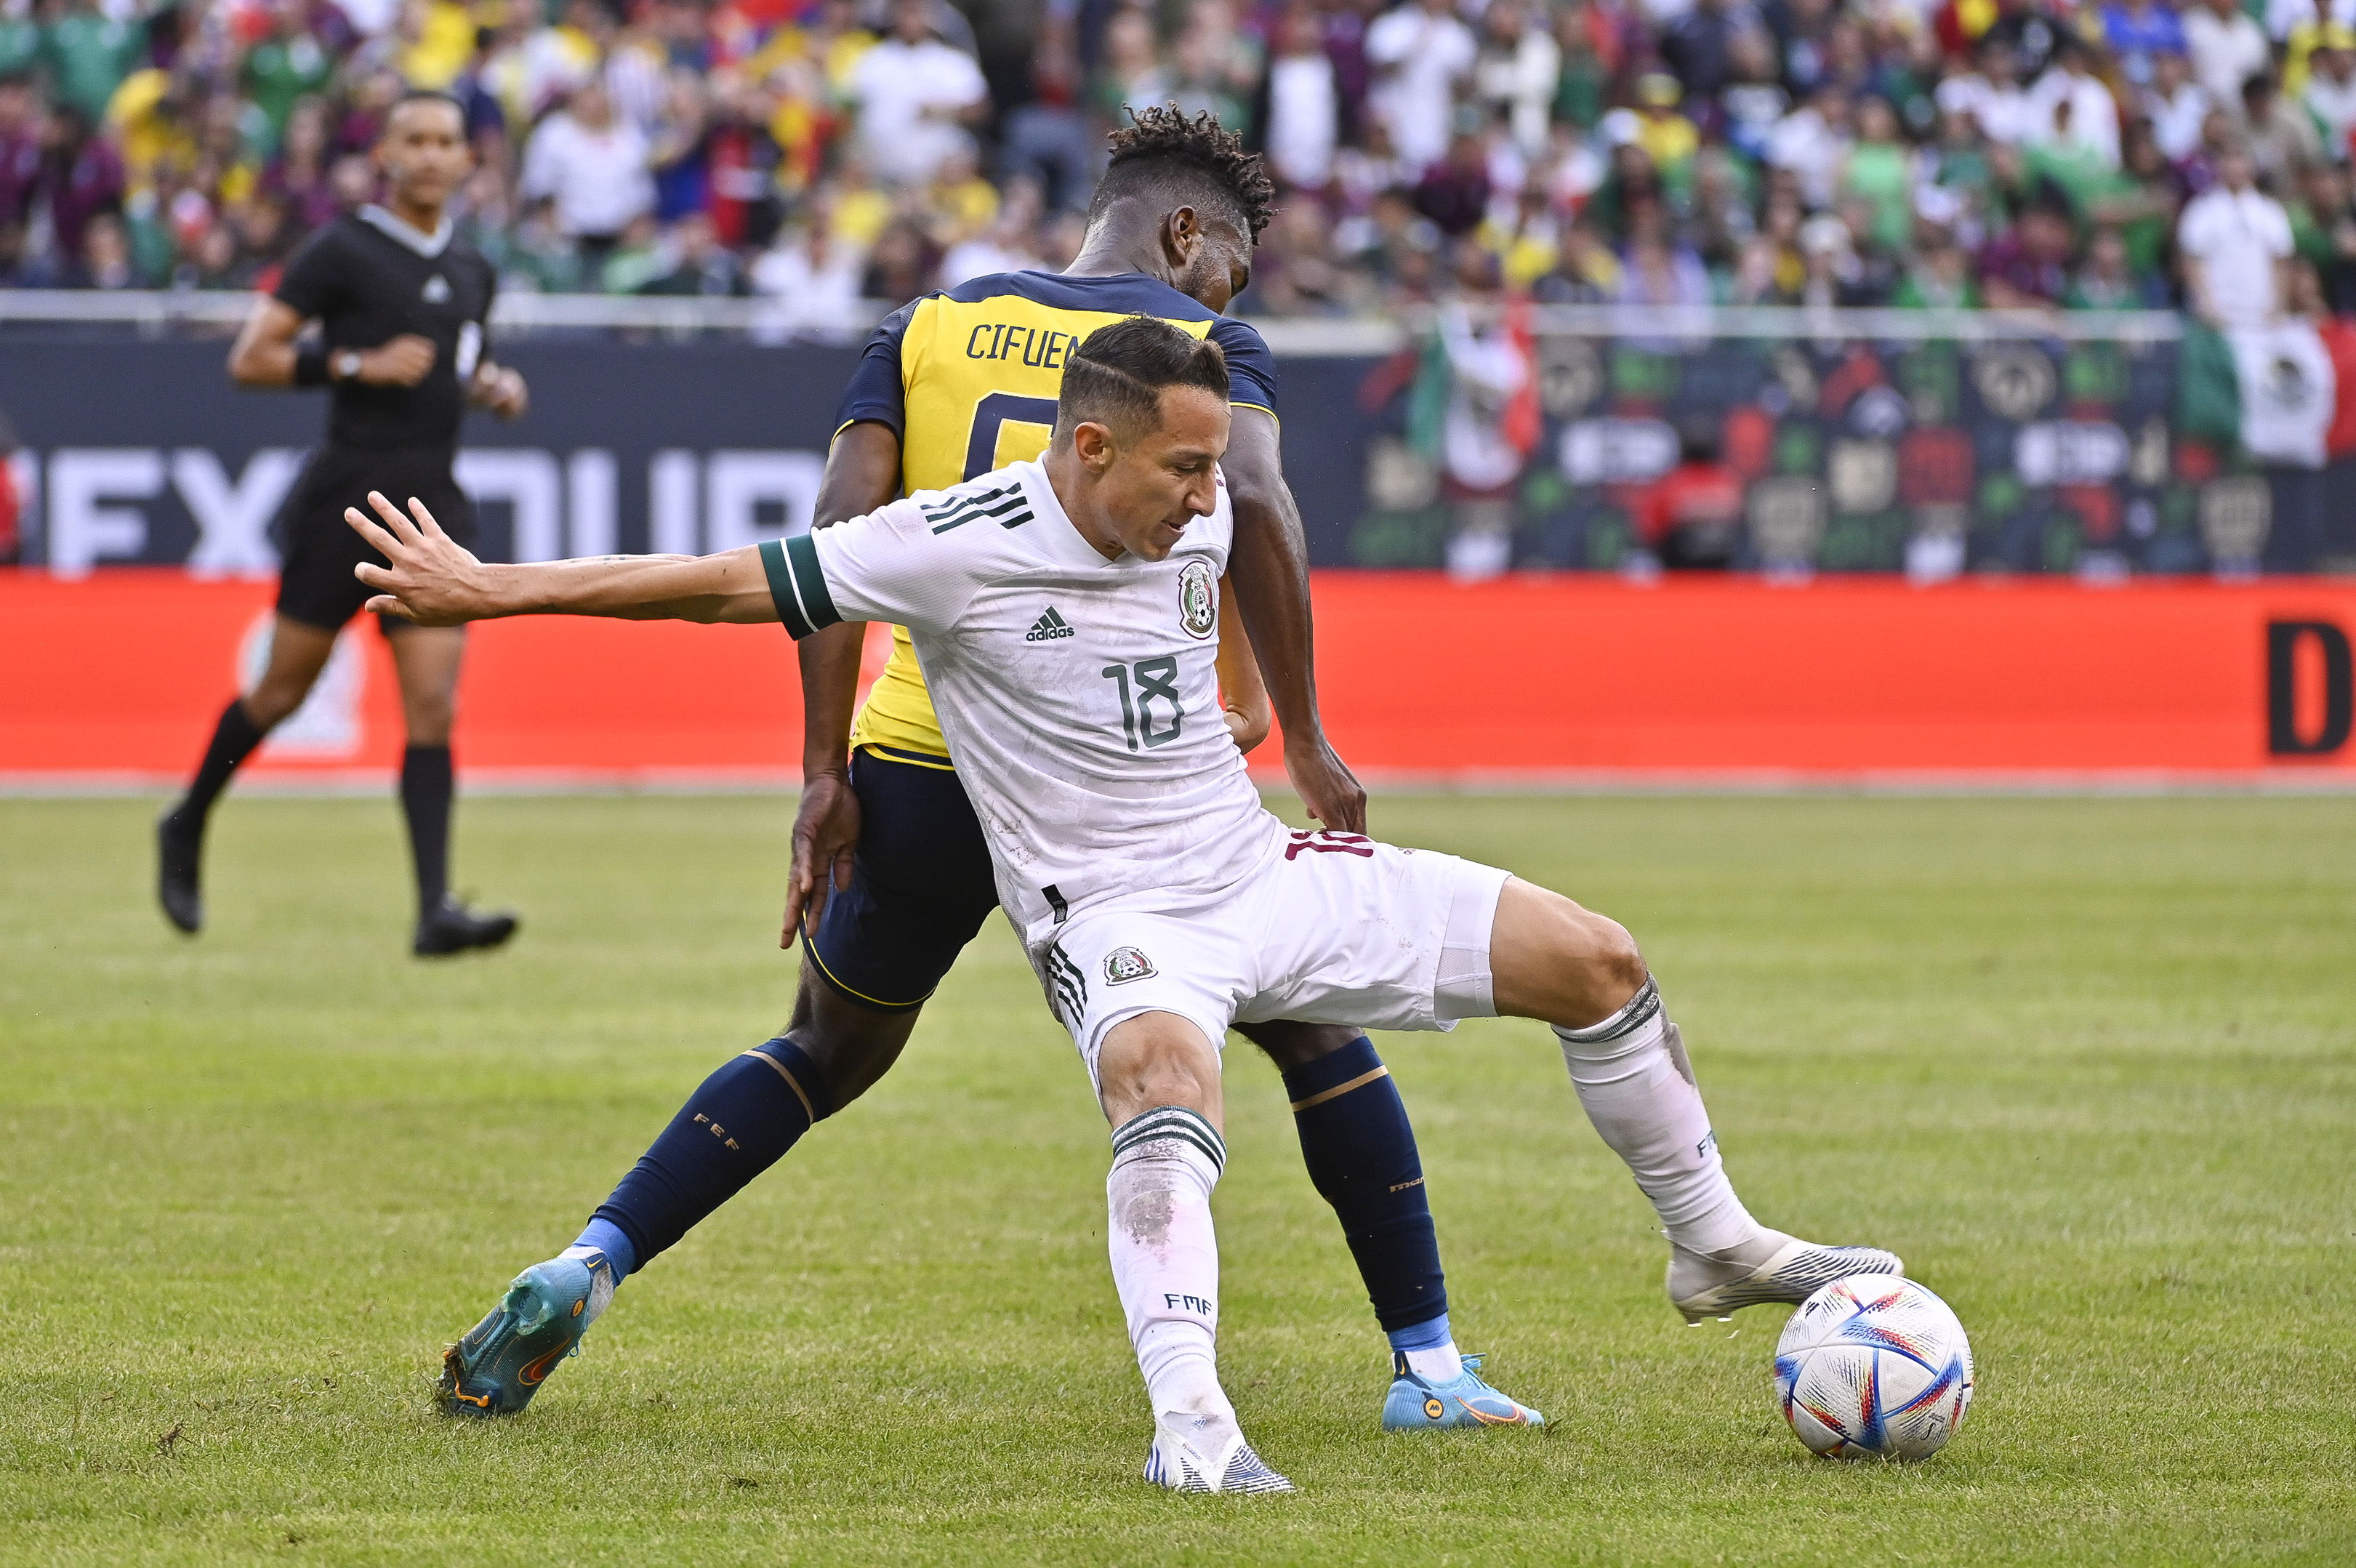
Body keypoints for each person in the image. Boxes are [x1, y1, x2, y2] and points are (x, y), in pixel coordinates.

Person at [347, 315, 1905, 1494]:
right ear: (1087, 451)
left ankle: (1714, 1245)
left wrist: (1233, 709)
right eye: (1180, 465)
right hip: (1116, 917)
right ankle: (1192, 1424)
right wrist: (491, 588)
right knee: (1165, 1084)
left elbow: (1207, 623)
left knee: (1599, 957)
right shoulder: (946, 546)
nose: (1207, 492)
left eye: (1214, 463)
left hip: (1255, 871)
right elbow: (719, 584)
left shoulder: (1198, 512)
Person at [419, 108, 1543, 1439]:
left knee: (822, 1050)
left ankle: (588, 1262)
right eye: (1232, 262)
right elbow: (1260, 510)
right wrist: (1294, 726)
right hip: (1115, 781)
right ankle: (1429, 1370)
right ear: (1188, 233)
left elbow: (836, 541)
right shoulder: (1196, 350)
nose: (1232, 291)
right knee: (1316, 1031)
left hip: (919, 759)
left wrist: (823, 772)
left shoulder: (927, 324)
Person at [155, 89, 526, 956]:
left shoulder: (475, 266)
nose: (433, 156)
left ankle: (434, 908)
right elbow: (251, 359)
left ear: (469, 161)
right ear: (386, 156)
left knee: (432, 704)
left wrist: (492, 388)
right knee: (282, 689)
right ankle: (186, 819)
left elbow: (459, 365)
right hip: (350, 500)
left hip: (433, 499)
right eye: (416, 141)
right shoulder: (343, 249)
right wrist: (356, 360)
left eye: (447, 141)